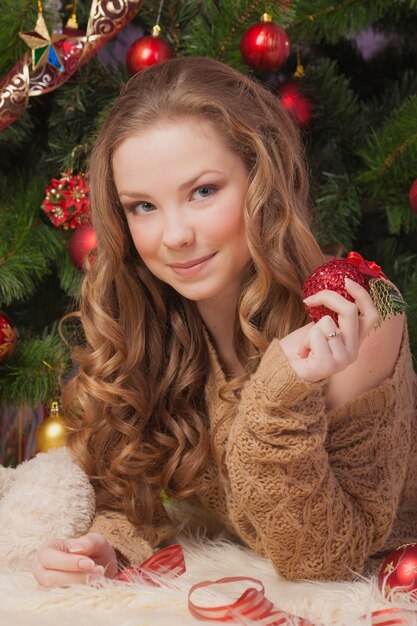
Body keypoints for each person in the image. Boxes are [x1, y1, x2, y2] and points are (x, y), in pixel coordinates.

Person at [33, 57, 417, 588]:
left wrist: (280, 396)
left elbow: (326, 560)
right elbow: (121, 492)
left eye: (203, 191)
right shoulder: (159, 316)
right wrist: (109, 550)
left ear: (262, 180)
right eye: (143, 206)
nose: (174, 236)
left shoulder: (357, 310)